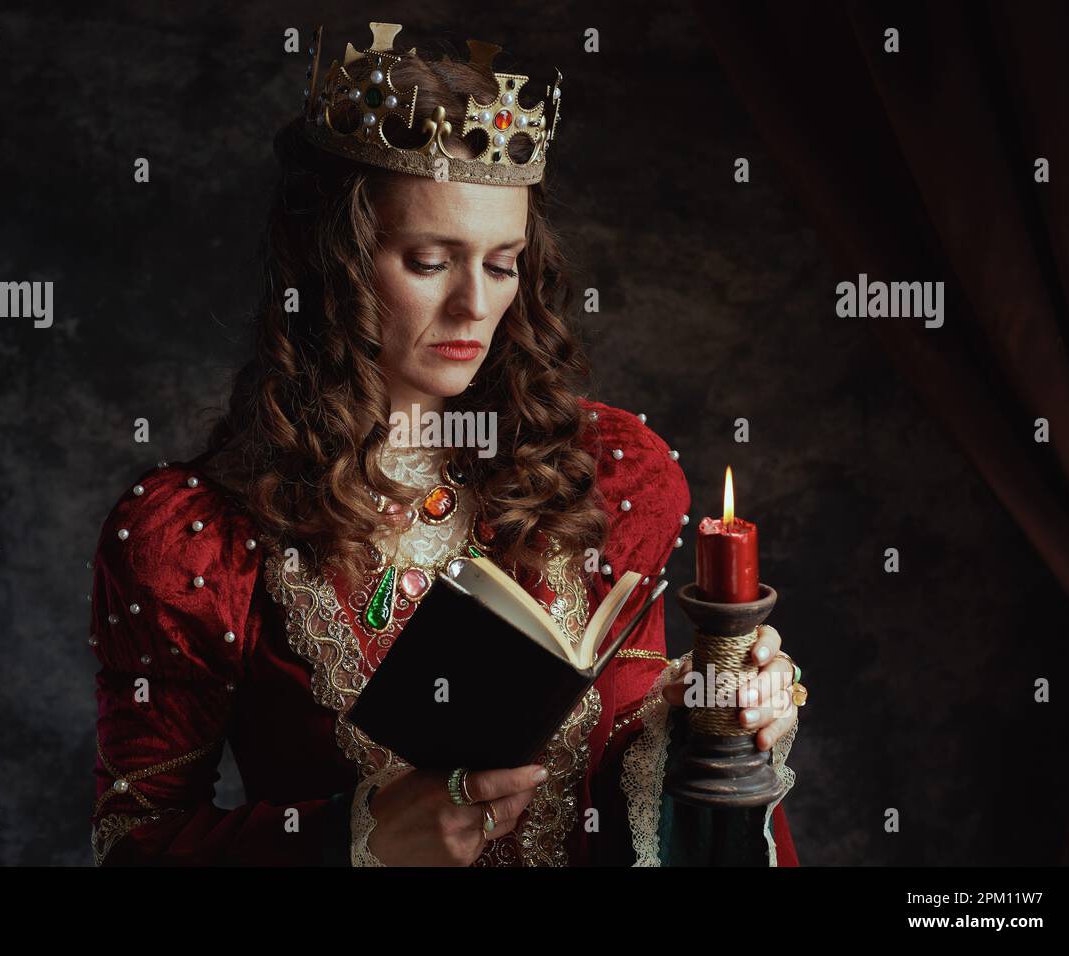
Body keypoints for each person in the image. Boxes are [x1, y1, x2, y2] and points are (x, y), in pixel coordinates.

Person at [87, 22, 802, 867]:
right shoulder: (197, 541)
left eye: (502, 264)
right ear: (334, 265)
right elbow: (136, 845)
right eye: (429, 261)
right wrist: (355, 844)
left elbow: (626, 769)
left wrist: (721, 716)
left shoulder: (609, 475)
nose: (473, 305)